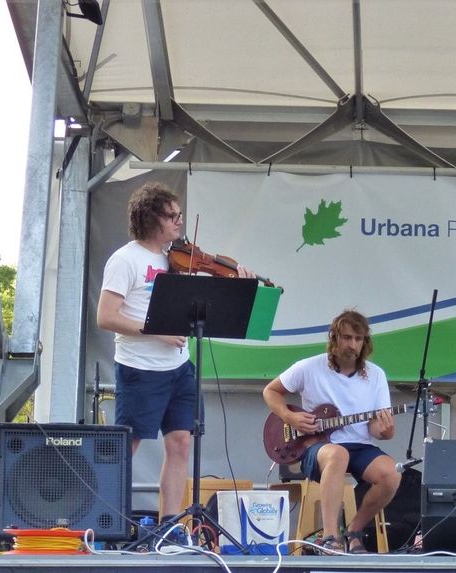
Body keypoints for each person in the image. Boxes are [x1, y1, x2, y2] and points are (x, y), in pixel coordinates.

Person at [97, 182, 255, 523]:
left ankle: (170, 524)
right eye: (172, 216)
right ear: (151, 218)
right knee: (130, 446)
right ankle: (105, 518)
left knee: (182, 442)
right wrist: (157, 328)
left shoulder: (176, 258)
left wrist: (237, 282)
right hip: (140, 368)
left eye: (180, 214)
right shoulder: (125, 259)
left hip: (179, 367)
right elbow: (106, 316)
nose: (179, 222)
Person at [262, 310, 400, 553]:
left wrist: (386, 431)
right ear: (334, 338)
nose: (352, 345)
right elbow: (270, 391)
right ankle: (329, 537)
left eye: (358, 339)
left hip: (359, 446)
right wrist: (290, 417)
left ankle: (354, 531)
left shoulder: (376, 374)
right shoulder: (309, 367)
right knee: (337, 454)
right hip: (315, 447)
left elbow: (376, 428)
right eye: (347, 338)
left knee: (392, 474)